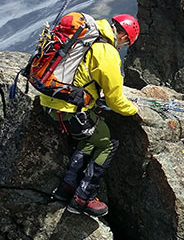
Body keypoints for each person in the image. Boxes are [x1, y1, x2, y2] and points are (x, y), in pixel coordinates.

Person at [46, 13, 140, 217]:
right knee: (108, 142)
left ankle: (67, 189)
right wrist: (133, 109)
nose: (122, 46)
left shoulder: (86, 36)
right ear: (123, 35)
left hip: (51, 102)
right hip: (70, 111)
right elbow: (116, 101)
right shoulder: (106, 51)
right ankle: (83, 198)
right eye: (126, 43)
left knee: (90, 139)